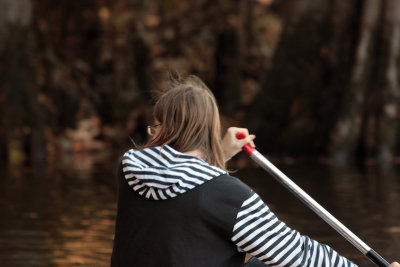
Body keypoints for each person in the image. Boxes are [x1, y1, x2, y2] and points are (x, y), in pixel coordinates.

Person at [111, 75, 399, 267]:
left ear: (164, 129)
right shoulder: (229, 195)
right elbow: (296, 253)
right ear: (208, 130)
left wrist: (219, 155)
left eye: (155, 127)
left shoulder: (131, 170)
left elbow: (185, 187)